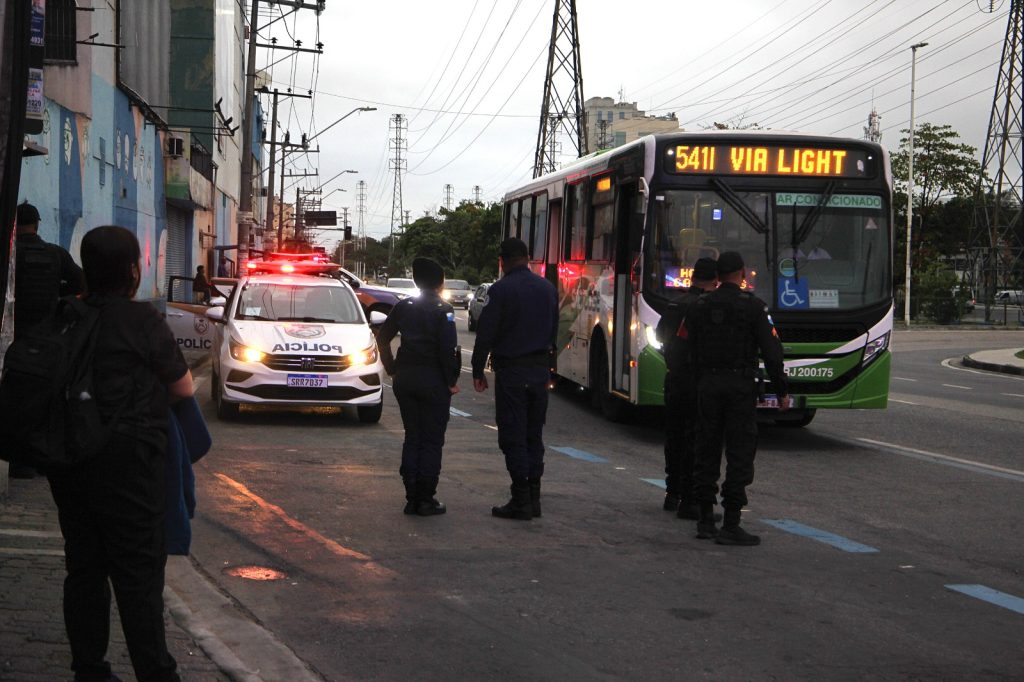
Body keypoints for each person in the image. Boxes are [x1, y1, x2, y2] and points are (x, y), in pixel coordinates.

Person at [46, 225, 194, 681]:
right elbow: (184, 387)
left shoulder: (63, 314)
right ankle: (155, 672)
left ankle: (89, 669)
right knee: (138, 579)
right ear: (133, 270)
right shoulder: (143, 320)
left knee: (84, 570)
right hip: (131, 466)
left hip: (70, 462)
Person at [686, 251, 790, 546]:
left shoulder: (699, 306)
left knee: (705, 448)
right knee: (739, 452)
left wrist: (698, 381)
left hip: (707, 385)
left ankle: (705, 519)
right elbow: (772, 353)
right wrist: (781, 390)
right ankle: (731, 522)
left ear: (717, 276)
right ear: (742, 273)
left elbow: (684, 349)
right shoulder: (754, 308)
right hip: (739, 388)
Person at [472, 238, 558, 521]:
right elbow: (555, 331)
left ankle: (520, 498)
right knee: (534, 435)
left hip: (513, 373)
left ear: (502, 261)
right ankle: (535, 497)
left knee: (513, 435)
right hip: (540, 372)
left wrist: (477, 370)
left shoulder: (501, 290)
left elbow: (486, 332)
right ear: (528, 257)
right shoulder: (548, 289)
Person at [376, 257, 460, 516]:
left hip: (406, 378)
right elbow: (448, 350)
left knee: (413, 436)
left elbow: (382, 337)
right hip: (433, 380)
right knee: (432, 440)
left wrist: (392, 369)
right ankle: (426, 497)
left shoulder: (403, 306)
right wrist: (451, 381)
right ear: (440, 282)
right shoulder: (443, 309)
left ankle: (411, 496)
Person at [10, 201, 84, 478]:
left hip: (12, 336)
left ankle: (18, 461)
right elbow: (80, 283)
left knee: (15, 396)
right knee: (44, 399)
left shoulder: (11, 252)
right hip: (46, 340)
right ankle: (37, 458)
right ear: (38, 224)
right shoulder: (55, 254)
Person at [654, 257, 718, 518]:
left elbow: (659, 336)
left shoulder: (674, 304)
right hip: (699, 381)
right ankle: (691, 499)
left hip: (675, 378)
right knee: (697, 439)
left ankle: (672, 493)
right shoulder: (707, 307)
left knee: (675, 436)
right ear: (715, 280)